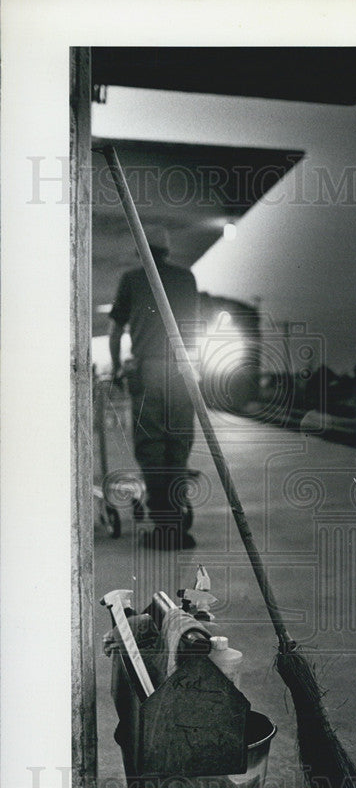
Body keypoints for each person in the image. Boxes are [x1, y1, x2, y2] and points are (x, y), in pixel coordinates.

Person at [108, 228, 198, 549]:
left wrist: (118, 367)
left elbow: (116, 330)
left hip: (148, 371)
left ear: (141, 252)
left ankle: (164, 527)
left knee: (152, 447)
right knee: (178, 446)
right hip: (182, 371)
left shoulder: (132, 279)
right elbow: (195, 328)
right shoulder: (187, 278)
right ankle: (177, 520)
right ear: (167, 252)